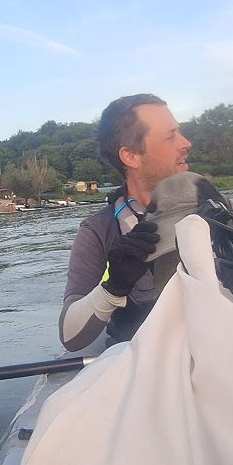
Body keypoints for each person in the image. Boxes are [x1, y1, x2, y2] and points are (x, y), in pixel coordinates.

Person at [58, 94, 192, 351]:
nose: (187, 143)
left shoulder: (218, 208)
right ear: (131, 156)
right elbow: (70, 336)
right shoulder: (99, 231)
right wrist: (114, 287)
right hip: (145, 363)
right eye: (170, 136)